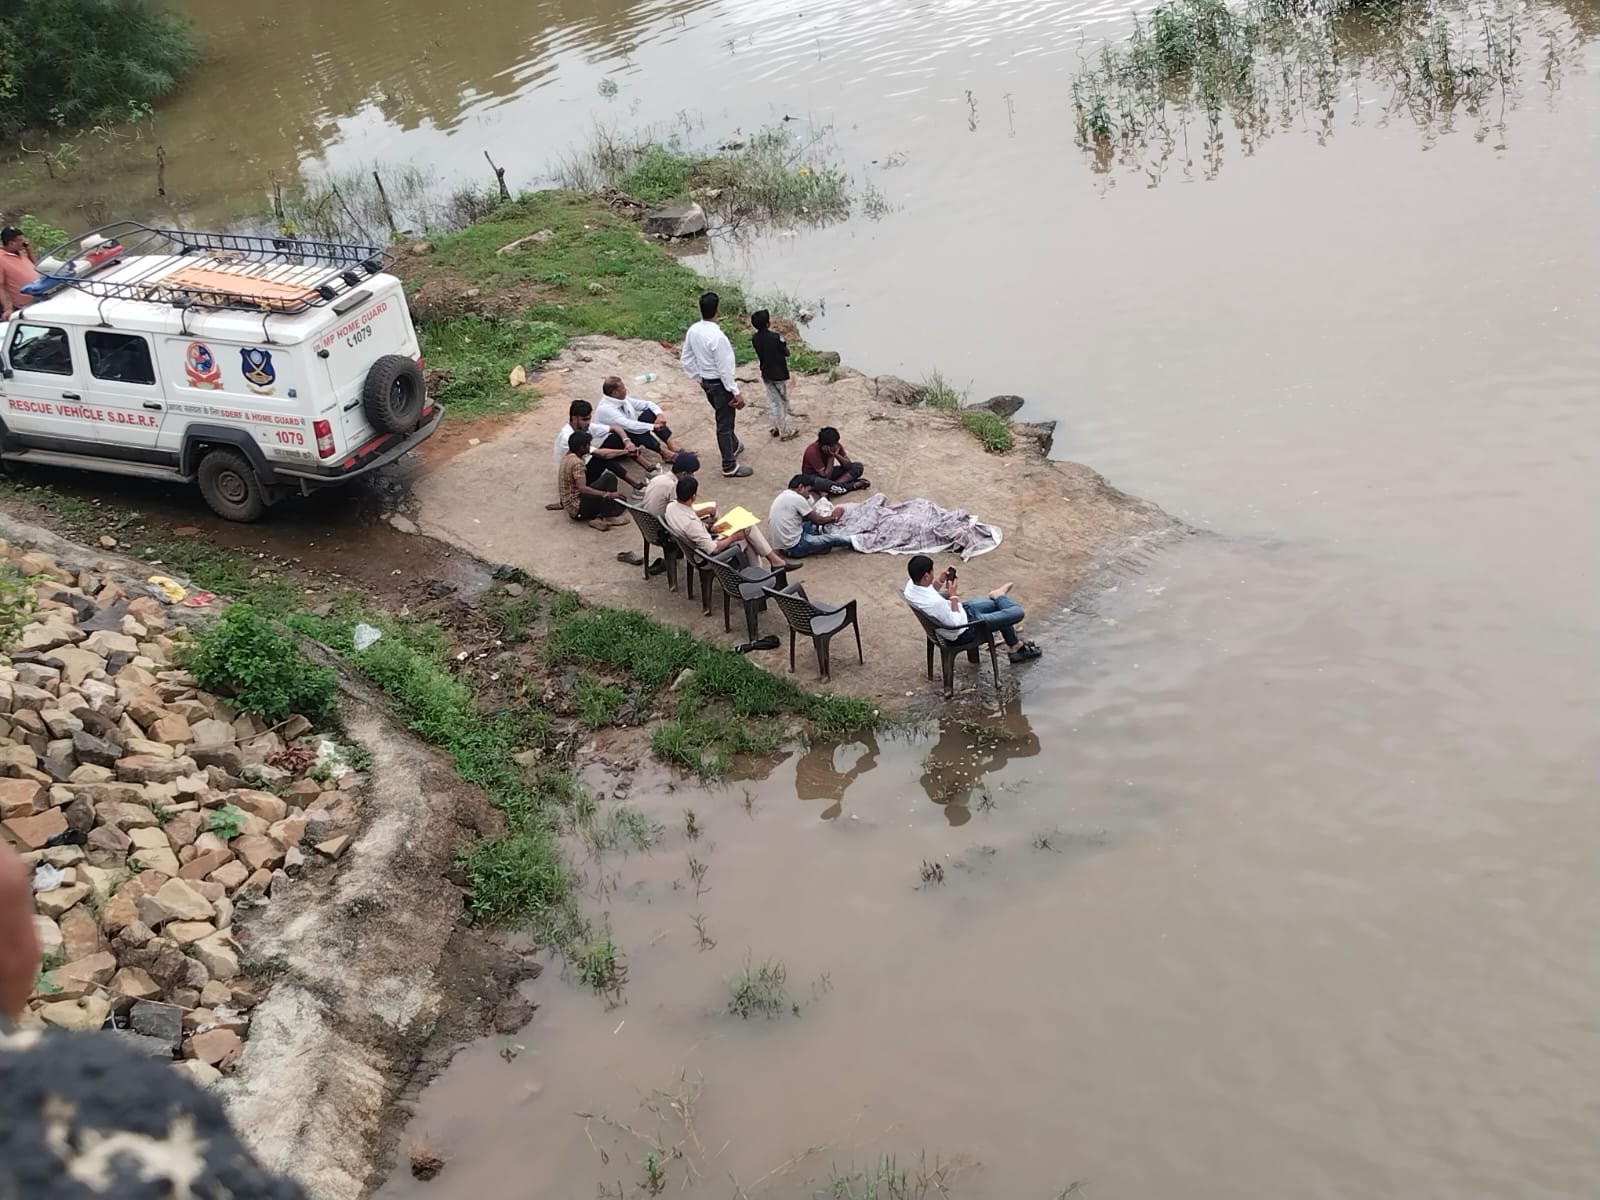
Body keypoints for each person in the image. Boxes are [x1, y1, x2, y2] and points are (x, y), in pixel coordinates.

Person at [902, 554, 1040, 663]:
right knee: (1016, 612)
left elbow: (929, 590)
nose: (933, 575)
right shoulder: (934, 604)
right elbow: (956, 625)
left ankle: (1015, 645)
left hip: (962, 611)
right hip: (967, 628)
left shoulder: (911, 587)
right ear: (926, 576)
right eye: (931, 573)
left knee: (999, 607)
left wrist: (940, 580)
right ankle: (999, 595)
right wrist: (953, 595)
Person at [679, 291, 751, 479]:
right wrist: (736, 391)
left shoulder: (694, 330)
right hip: (720, 385)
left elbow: (686, 359)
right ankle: (729, 465)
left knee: (724, 417)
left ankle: (734, 446)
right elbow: (724, 369)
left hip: (708, 382)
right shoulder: (717, 337)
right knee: (724, 424)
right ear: (717, 310)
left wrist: (699, 378)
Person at [664, 475, 796, 571]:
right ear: (693, 496)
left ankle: (767, 565)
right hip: (706, 557)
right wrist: (733, 537)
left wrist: (710, 528)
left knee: (747, 530)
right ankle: (764, 569)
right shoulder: (691, 523)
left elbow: (691, 525)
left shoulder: (671, 507)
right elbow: (714, 549)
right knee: (747, 533)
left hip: (696, 547)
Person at [552, 399, 648, 486]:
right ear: (574, 419)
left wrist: (627, 442)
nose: (588, 422)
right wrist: (627, 452)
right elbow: (602, 454)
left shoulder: (585, 427)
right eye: (584, 419)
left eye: (589, 418)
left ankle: (648, 467)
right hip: (575, 475)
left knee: (617, 436)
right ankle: (636, 485)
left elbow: (615, 428)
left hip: (584, 463)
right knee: (604, 458)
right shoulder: (568, 437)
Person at [594, 376, 681, 460]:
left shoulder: (622, 399)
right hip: (611, 444)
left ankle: (670, 443)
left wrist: (659, 415)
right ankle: (665, 453)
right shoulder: (605, 409)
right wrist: (652, 426)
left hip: (627, 436)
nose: (626, 390)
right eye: (623, 388)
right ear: (615, 393)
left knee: (649, 413)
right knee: (633, 430)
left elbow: (648, 404)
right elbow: (628, 425)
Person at [768, 475, 855, 558]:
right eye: (808, 491)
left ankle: (817, 545)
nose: (809, 494)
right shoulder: (797, 499)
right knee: (832, 539)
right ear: (800, 487)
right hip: (794, 546)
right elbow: (818, 520)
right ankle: (855, 540)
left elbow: (809, 513)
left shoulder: (784, 495)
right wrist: (833, 518)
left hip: (783, 544)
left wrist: (807, 497)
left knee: (810, 522)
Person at [558, 430, 629, 530]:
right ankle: (607, 516)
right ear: (582, 447)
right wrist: (607, 494)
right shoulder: (577, 463)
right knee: (610, 480)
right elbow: (582, 488)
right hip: (578, 508)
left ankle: (598, 518)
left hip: (572, 507)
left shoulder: (567, 457)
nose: (590, 447)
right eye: (588, 445)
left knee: (619, 500)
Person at [750, 309, 796, 441]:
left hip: (766, 373)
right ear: (767, 323)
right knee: (782, 401)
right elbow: (786, 353)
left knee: (774, 401)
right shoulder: (776, 338)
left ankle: (776, 426)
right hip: (779, 373)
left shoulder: (755, 339)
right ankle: (784, 431)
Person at [800, 427, 869, 496]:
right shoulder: (812, 452)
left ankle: (830, 487)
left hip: (828, 473)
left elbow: (848, 465)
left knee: (857, 467)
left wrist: (837, 454)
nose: (836, 446)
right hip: (814, 476)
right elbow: (826, 475)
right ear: (824, 446)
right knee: (820, 482)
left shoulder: (836, 446)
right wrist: (831, 457)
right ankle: (852, 486)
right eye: (833, 445)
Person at [642, 451, 702, 520]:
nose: (693, 476)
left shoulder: (659, 478)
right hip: (661, 523)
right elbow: (681, 513)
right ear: (684, 474)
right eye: (692, 473)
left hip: (648, 519)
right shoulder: (674, 486)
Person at [0, 226, 40, 320]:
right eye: (21, 240)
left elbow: (37, 266)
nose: (24, 242)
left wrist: (29, 250)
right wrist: (7, 308)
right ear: (11, 243)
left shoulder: (18, 252)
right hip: (27, 307)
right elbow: (0, 286)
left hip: (41, 296)